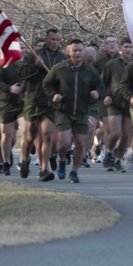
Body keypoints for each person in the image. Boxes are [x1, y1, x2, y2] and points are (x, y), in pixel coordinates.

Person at [41, 39, 104, 183]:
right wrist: (53, 95)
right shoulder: (59, 69)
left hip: (82, 111)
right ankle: (62, 160)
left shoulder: (90, 71)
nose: (77, 53)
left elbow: (101, 86)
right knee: (63, 143)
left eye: (80, 50)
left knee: (81, 143)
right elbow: (46, 84)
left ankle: (74, 172)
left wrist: (97, 93)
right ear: (69, 51)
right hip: (64, 111)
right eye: (74, 50)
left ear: (83, 52)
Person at [18, 29, 67, 179]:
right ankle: (25, 159)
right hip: (34, 99)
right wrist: (36, 66)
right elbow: (22, 74)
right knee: (30, 134)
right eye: (52, 39)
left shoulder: (63, 58)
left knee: (47, 134)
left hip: (51, 102)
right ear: (46, 39)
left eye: (57, 40)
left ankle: (44, 169)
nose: (55, 42)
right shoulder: (33, 54)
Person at [100, 38, 133, 171]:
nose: (128, 50)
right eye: (125, 47)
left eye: (130, 47)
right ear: (120, 48)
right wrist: (105, 95)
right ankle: (109, 151)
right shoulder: (111, 64)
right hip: (114, 102)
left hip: (130, 103)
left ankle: (118, 159)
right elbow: (103, 83)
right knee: (116, 132)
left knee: (126, 134)